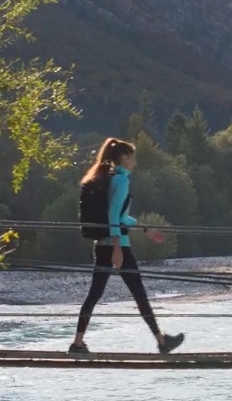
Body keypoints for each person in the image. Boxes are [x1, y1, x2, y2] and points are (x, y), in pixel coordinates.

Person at [71, 137, 185, 355]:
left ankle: (77, 343)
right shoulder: (121, 181)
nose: (135, 161)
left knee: (95, 294)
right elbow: (114, 214)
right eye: (132, 156)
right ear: (123, 157)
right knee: (139, 293)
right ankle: (161, 342)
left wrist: (145, 228)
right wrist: (117, 246)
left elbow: (120, 216)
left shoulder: (109, 178)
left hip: (104, 244)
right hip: (118, 245)